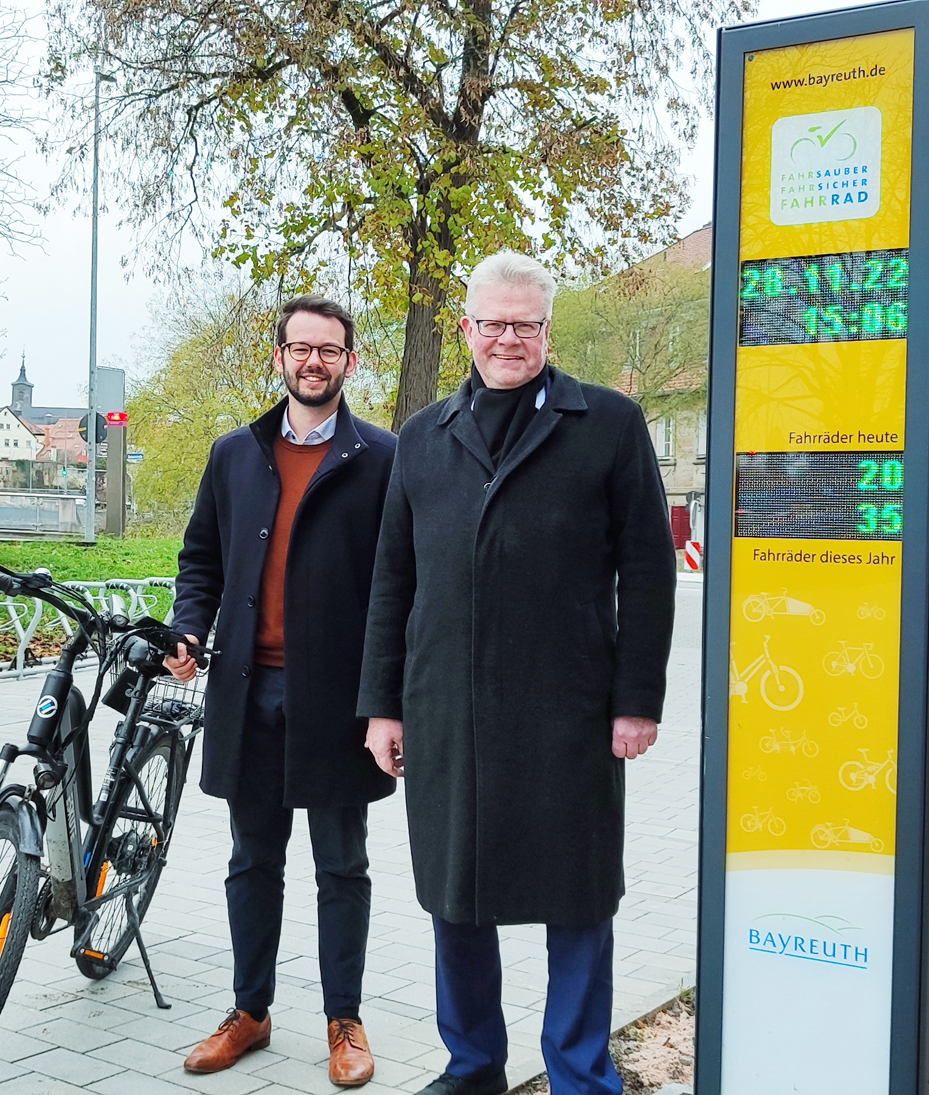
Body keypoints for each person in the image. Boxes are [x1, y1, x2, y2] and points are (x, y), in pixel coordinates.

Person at [356, 251, 676, 1095]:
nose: (506, 338)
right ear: (466, 327)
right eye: (491, 323)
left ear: (546, 330)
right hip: (446, 709)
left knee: (577, 897)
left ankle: (578, 1070)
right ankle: (473, 1066)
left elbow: (648, 570)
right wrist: (380, 705)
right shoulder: (423, 436)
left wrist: (636, 700)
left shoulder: (608, 422)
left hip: (568, 709)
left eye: (523, 324)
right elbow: (393, 576)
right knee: (454, 894)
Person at [165, 294, 398, 1088]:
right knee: (251, 858)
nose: (313, 361)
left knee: (342, 864)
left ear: (350, 361)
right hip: (246, 691)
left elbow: (400, 584)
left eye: (329, 350)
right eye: (300, 348)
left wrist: (386, 698)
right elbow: (201, 560)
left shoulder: (381, 457)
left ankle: (345, 1022)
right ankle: (251, 1012)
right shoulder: (235, 452)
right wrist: (188, 631)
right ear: (280, 357)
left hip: (338, 701)